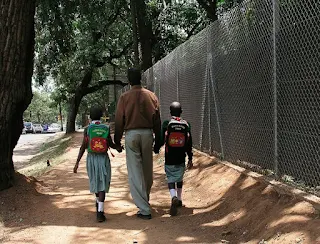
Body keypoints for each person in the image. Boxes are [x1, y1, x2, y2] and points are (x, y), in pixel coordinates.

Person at [114, 68, 161, 220]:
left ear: (129, 81)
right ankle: (145, 199)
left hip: (131, 135)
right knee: (147, 170)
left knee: (135, 173)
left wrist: (117, 140)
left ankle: (144, 208)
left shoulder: (124, 97)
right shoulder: (151, 96)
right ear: (140, 79)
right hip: (148, 134)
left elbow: (119, 121)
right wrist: (158, 140)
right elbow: (157, 120)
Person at [73, 106, 122, 222]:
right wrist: (119, 147)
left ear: (90, 117)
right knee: (103, 184)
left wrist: (77, 163)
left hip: (91, 159)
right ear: (101, 116)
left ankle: (98, 204)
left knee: (95, 181)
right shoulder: (106, 128)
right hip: (103, 158)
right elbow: (110, 144)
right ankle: (100, 211)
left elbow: (83, 147)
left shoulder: (88, 129)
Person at [158, 101, 193, 216]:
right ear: (181, 112)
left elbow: (162, 139)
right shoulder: (186, 124)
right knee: (179, 178)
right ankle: (179, 198)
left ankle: (173, 196)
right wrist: (190, 158)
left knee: (170, 178)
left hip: (169, 157)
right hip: (181, 157)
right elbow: (189, 143)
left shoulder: (167, 124)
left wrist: (156, 148)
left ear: (170, 112)